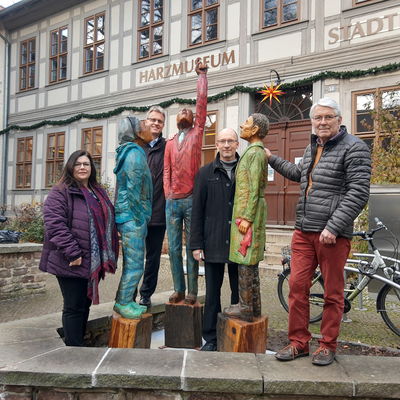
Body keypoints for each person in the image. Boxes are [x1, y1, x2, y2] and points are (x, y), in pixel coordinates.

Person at [266, 97, 371, 366]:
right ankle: (299, 342)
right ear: (312, 122)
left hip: (332, 235)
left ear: (339, 120)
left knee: (332, 293)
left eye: (328, 117)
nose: (322, 122)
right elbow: (298, 173)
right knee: (297, 286)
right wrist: (271, 158)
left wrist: (333, 227)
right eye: (317, 118)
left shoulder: (355, 148)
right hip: (304, 230)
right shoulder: (313, 147)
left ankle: (327, 345)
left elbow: (358, 193)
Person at [39, 150, 119, 346]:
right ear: (71, 167)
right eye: (78, 164)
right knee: (74, 306)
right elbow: (55, 224)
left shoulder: (97, 191)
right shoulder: (61, 191)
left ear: (92, 169)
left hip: (91, 261)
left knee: (85, 305)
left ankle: (78, 345)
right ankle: (74, 349)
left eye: (87, 164)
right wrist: (73, 252)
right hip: (71, 260)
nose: (82, 167)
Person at [190, 128, 240, 351]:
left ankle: (237, 334)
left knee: (240, 293)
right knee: (212, 294)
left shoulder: (245, 170)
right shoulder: (205, 173)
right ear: (216, 145)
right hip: (213, 241)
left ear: (237, 144)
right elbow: (197, 211)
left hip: (240, 243)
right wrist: (196, 244)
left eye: (231, 141)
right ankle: (211, 338)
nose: (227, 145)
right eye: (222, 141)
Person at [163, 60, 208, 305]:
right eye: (180, 112)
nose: (184, 113)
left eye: (187, 112)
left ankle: (192, 291)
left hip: (191, 199)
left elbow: (201, 104)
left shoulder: (196, 134)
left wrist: (201, 77)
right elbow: (166, 169)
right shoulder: (170, 142)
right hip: (173, 202)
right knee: (172, 250)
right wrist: (168, 193)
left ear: (193, 120)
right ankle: (178, 289)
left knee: (192, 248)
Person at [224, 113, 269, 323]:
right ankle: (253, 305)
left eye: (247, 123)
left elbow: (253, 189)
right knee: (249, 264)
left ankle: (246, 308)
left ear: (255, 130)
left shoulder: (254, 154)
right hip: (246, 214)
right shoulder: (253, 151)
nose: (242, 125)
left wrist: (247, 218)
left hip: (247, 217)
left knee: (245, 264)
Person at [113, 116, 153, 319]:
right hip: (132, 217)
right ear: (137, 133)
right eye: (146, 125)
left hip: (127, 215)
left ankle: (124, 299)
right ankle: (124, 302)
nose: (151, 126)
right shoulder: (135, 154)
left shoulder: (129, 152)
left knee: (132, 262)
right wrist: (141, 217)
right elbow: (133, 190)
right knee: (136, 263)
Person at [136, 106, 167, 308]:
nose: (155, 123)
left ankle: (146, 295)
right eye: (152, 120)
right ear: (145, 122)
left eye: (159, 121)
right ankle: (127, 294)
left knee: (152, 259)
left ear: (163, 125)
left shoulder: (168, 147)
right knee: (134, 257)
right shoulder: (136, 145)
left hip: (158, 213)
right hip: (137, 214)